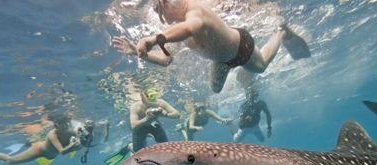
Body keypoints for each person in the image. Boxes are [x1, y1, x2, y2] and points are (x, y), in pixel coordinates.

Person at [112, 0, 310, 93]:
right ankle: (241, 71)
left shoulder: (194, 9)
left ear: (170, 5)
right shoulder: (175, 31)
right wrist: (140, 53)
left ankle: (282, 31)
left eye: (161, 11)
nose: (162, 17)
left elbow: (190, 27)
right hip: (221, 60)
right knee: (215, 89)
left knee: (263, 66)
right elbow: (166, 60)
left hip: (241, 46)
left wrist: (153, 39)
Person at [104, 88, 180, 165]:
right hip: (140, 126)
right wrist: (146, 118)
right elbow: (134, 126)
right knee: (138, 152)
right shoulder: (136, 107)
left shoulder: (160, 103)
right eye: (151, 97)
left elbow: (177, 114)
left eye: (155, 96)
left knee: (165, 145)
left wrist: (165, 115)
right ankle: (130, 146)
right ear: (144, 99)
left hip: (153, 123)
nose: (154, 101)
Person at [0, 116, 86, 164]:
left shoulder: (69, 130)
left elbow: (81, 136)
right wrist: (72, 145)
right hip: (38, 151)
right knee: (10, 161)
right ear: (56, 126)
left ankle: (29, 143)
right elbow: (62, 151)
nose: (65, 127)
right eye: (62, 125)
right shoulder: (52, 134)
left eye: (66, 124)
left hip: (49, 154)